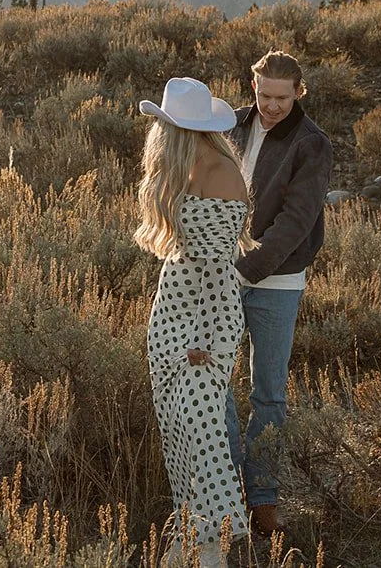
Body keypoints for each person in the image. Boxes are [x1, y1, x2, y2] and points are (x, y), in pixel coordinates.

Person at [136, 76, 258, 568]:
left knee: (204, 429)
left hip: (201, 323)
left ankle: (219, 541)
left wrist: (202, 339)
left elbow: (214, 265)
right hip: (174, 315)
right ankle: (190, 536)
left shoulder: (219, 170)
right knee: (180, 432)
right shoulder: (188, 164)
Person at [224, 51, 333, 540]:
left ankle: (262, 497)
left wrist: (246, 270)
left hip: (276, 281)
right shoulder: (230, 126)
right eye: (263, 94)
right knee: (211, 381)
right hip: (222, 275)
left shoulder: (312, 144)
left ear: (298, 93)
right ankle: (223, 487)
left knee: (269, 392)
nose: (270, 106)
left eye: (281, 98)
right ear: (254, 86)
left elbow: (296, 222)